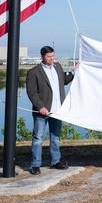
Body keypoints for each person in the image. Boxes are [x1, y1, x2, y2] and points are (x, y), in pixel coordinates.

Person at [26, 45, 75, 175]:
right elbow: (32, 93)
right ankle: (35, 165)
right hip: (42, 111)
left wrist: (75, 72)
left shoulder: (58, 67)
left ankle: (55, 161)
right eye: (48, 57)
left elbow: (64, 80)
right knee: (38, 138)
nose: (51, 59)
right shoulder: (34, 72)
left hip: (57, 111)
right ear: (42, 57)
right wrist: (40, 107)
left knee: (55, 137)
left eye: (53, 56)